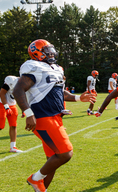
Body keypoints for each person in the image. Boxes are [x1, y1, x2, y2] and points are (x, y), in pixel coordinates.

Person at [13, 39, 96, 192]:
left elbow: (59, 91)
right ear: (37, 53)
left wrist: (78, 98)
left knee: (52, 162)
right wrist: (28, 112)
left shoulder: (57, 68)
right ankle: (35, 178)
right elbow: (18, 90)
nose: (51, 52)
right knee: (65, 153)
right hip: (43, 116)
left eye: (51, 49)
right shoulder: (33, 66)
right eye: (46, 50)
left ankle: (41, 188)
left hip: (55, 117)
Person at [0, 76, 24, 153]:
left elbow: (22, 97)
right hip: (2, 104)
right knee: (0, 126)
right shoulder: (12, 80)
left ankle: (13, 147)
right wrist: (6, 107)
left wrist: (24, 109)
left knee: (13, 125)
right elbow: (2, 92)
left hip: (13, 105)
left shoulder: (27, 84)